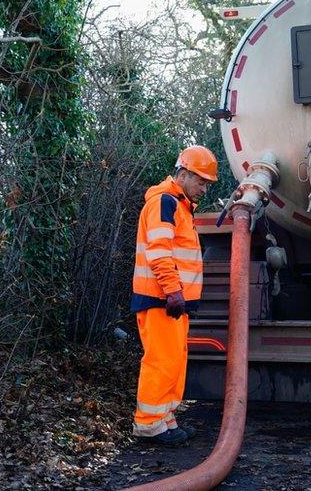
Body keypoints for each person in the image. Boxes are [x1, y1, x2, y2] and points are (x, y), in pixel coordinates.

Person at [130, 145, 217, 445]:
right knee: (161, 360)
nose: (204, 189)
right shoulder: (165, 202)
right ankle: (149, 424)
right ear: (183, 174)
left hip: (171, 300)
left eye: (207, 183)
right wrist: (173, 290)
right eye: (201, 181)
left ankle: (165, 419)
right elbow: (159, 252)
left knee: (174, 361)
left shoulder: (178, 205)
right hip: (162, 298)